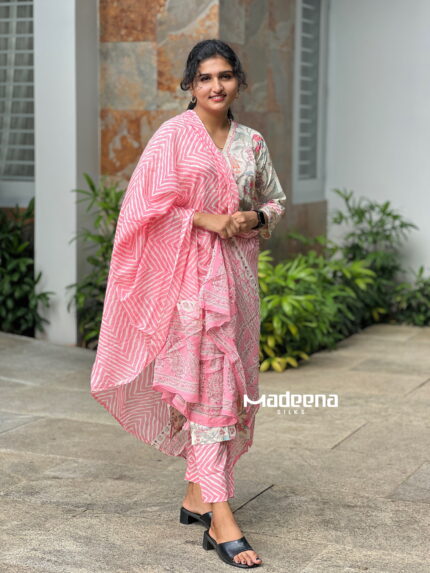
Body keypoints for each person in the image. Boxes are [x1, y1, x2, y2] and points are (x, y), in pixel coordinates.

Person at [90, 39, 286, 569]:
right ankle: (222, 517)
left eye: (225, 76)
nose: (216, 86)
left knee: (227, 387)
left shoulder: (252, 142)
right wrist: (203, 218)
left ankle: (196, 496)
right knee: (207, 391)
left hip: (238, 283)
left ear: (238, 81)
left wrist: (253, 218)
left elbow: (275, 201)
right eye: (205, 78)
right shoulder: (173, 137)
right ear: (190, 85)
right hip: (187, 287)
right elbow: (141, 209)